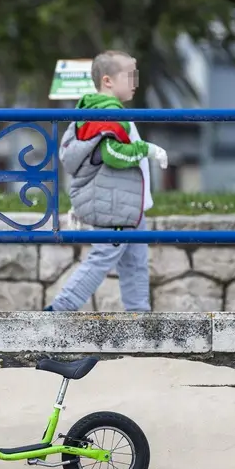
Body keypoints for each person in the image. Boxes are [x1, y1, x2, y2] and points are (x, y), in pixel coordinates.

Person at [44, 50, 167, 313]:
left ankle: (138, 318)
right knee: (103, 257)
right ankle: (59, 310)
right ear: (108, 81)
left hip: (128, 205)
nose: (135, 82)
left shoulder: (100, 110)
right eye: (129, 75)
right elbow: (112, 154)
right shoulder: (108, 113)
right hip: (116, 205)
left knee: (135, 263)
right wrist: (148, 150)